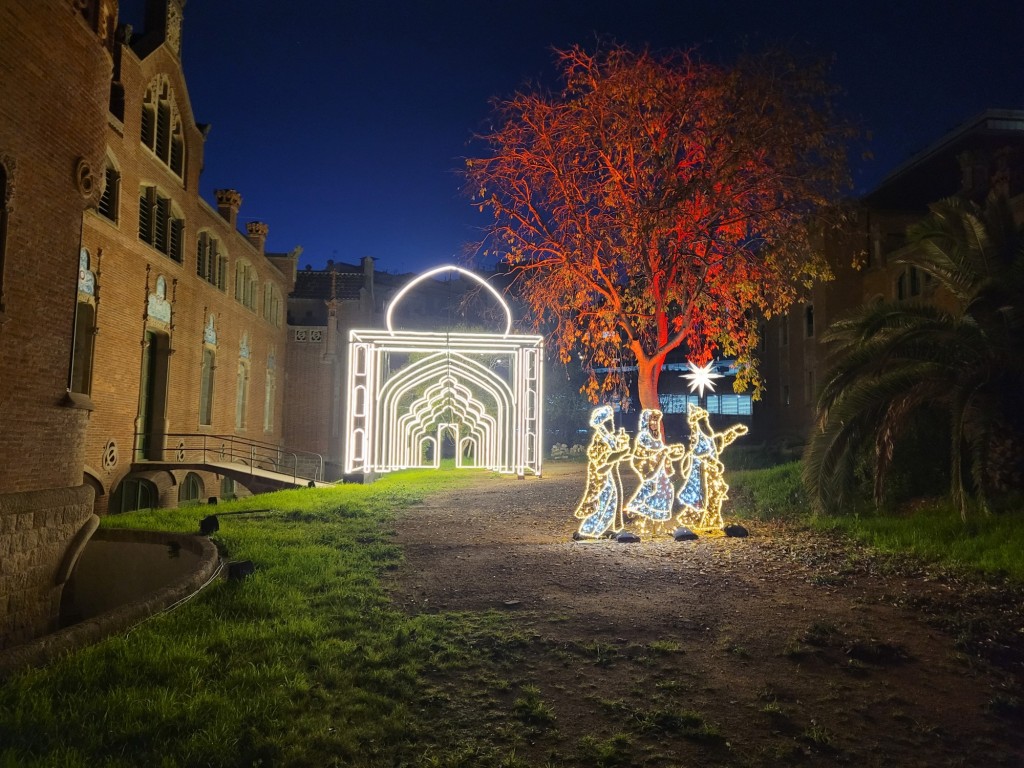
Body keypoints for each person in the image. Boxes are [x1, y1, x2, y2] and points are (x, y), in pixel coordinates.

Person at [676, 403, 748, 530]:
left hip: (712, 472)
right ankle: (704, 520)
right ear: (698, 423)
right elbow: (701, 453)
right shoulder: (698, 437)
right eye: (703, 421)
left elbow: (721, 440)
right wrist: (715, 463)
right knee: (708, 497)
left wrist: (734, 432)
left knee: (714, 495)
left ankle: (709, 520)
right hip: (703, 473)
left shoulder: (708, 437)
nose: (706, 423)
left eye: (706, 420)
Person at [574, 405, 631, 538]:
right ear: (603, 422)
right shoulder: (600, 438)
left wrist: (623, 448)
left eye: (611, 419)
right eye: (609, 420)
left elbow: (616, 454)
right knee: (603, 503)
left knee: (612, 502)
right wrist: (621, 453)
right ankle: (588, 530)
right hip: (603, 476)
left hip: (611, 474)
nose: (612, 422)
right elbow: (605, 458)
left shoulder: (609, 437)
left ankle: (606, 528)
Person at [624, 409, 687, 527]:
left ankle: (654, 520)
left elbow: (661, 451)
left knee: (666, 490)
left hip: (659, 469)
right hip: (650, 468)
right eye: (651, 421)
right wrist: (665, 451)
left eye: (655, 421)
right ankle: (634, 510)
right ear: (646, 422)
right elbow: (652, 449)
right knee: (650, 489)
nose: (654, 423)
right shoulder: (643, 436)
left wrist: (669, 454)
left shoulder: (656, 437)